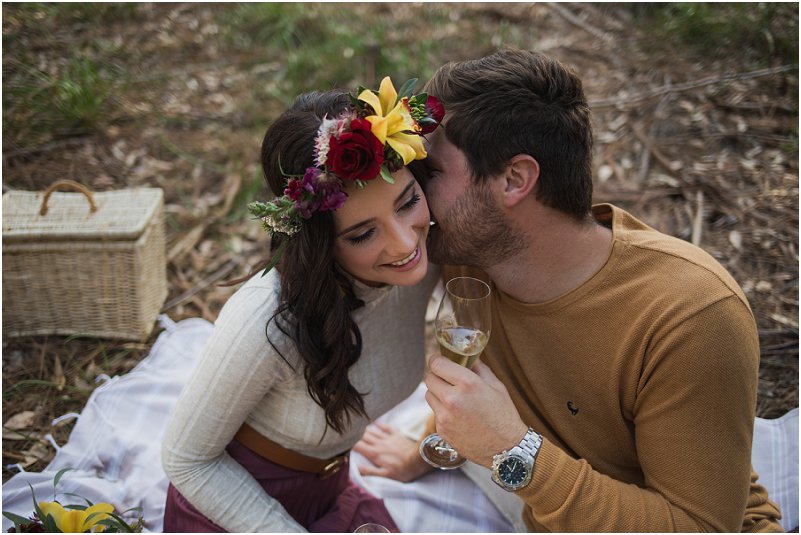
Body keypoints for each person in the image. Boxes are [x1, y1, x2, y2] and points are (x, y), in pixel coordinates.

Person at [354, 48, 784, 532]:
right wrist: (426, 450)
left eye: (429, 173)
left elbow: (700, 527)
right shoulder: (466, 248)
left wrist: (512, 450)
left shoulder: (690, 317)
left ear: (514, 180)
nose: (412, 192)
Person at [161, 76, 444, 532]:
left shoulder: (427, 255)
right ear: (320, 245)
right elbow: (187, 460)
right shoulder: (265, 321)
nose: (405, 241)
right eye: (364, 233)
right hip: (238, 507)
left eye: (408, 201)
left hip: (331, 491)